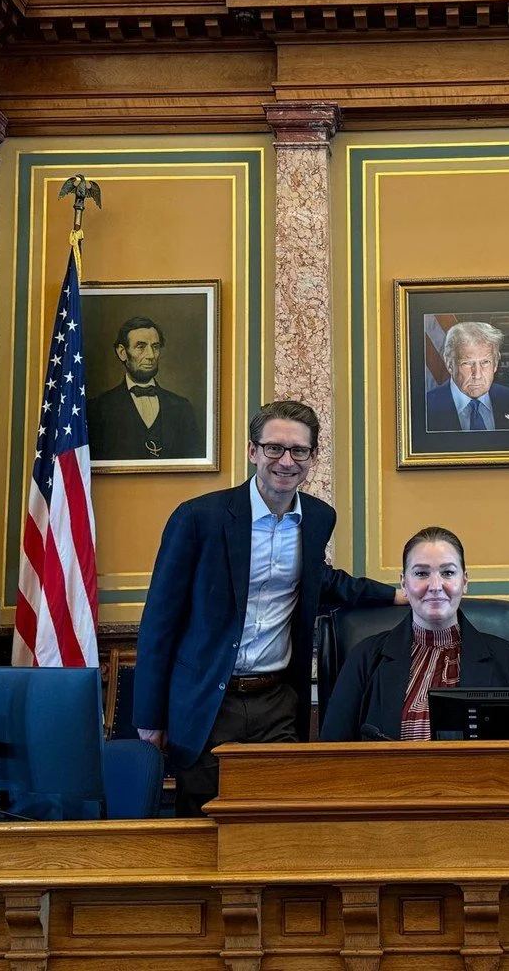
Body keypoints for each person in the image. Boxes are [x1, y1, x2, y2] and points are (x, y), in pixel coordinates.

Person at [132, 399, 405, 815]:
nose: (286, 461)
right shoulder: (198, 518)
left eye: (299, 451)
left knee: (278, 819)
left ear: (313, 458)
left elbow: (322, 581)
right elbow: (159, 622)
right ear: (252, 451)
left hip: (277, 701)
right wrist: (150, 718)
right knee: (204, 824)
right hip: (208, 702)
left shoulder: (317, 518)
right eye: (274, 448)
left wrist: (396, 595)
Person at [320, 526, 509, 741]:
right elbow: (332, 754)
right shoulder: (365, 657)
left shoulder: (505, 658)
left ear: (465, 582)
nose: (435, 586)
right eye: (421, 573)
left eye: (448, 573)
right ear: (404, 583)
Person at [87, 316, 205, 460]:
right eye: (141, 347)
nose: (150, 355)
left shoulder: (182, 407)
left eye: (155, 347)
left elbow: (197, 464)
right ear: (122, 352)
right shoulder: (97, 409)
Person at [424, 320, 509, 432]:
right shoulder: (424, 408)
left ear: (495, 364)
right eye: (467, 363)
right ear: (450, 365)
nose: (478, 375)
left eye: (485, 362)